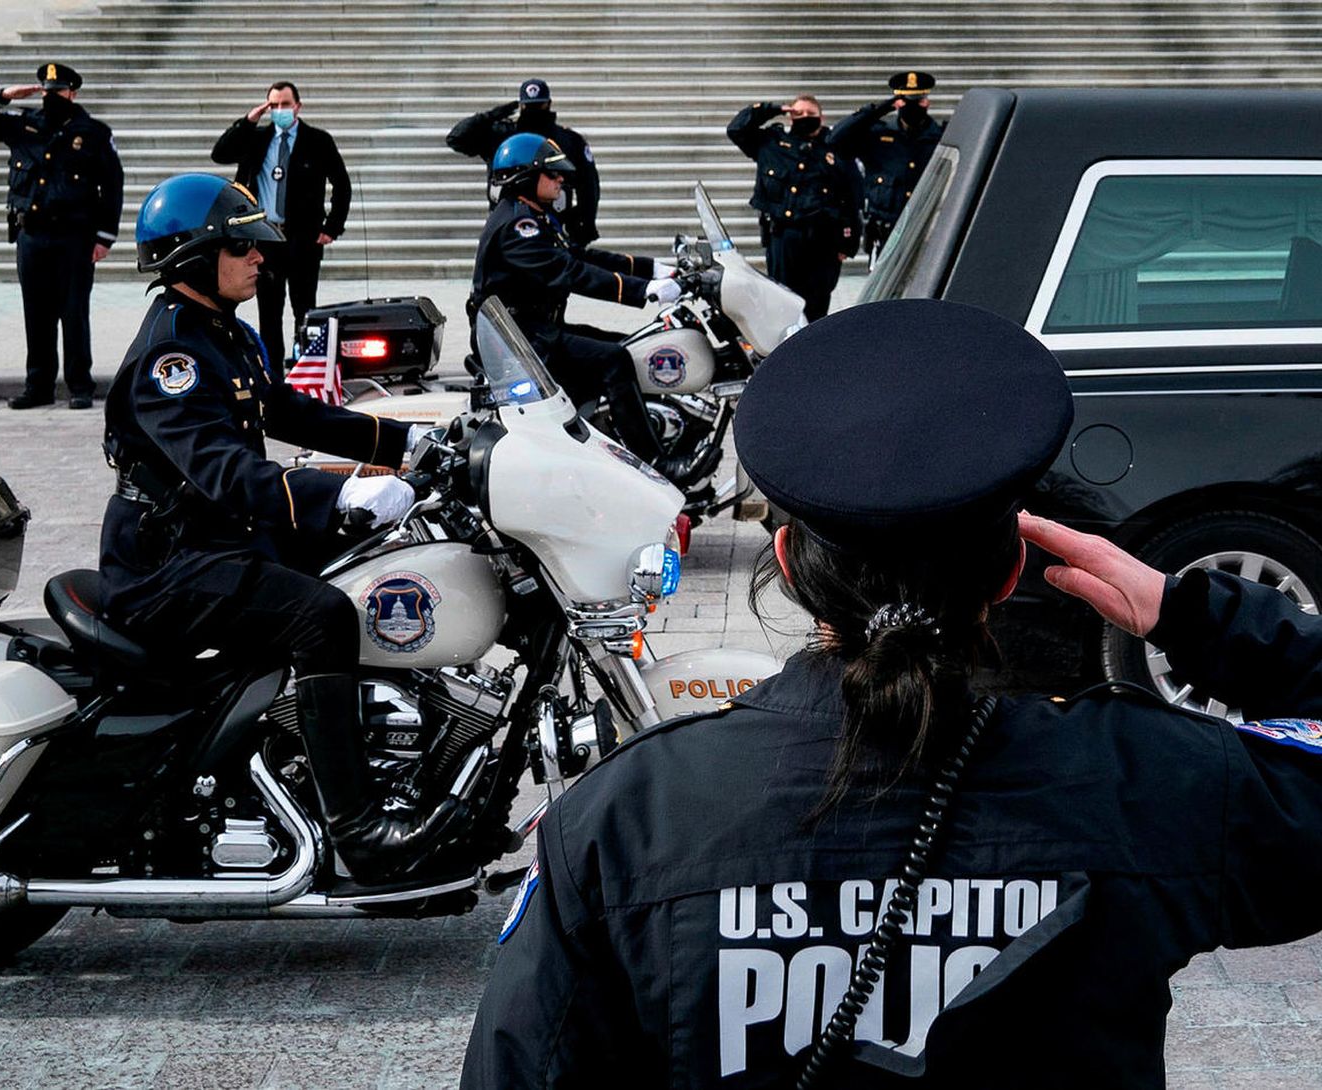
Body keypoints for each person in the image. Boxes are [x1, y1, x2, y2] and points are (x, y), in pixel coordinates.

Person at [463, 297, 1322, 1087]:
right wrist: (1189, 610)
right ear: (1012, 569)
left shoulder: (626, 818)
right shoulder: (1152, 782)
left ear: (792, 568)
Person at [99, 173, 455, 882]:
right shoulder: (170, 357)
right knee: (321, 616)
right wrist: (344, 494)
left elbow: (293, 414)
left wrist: (413, 443)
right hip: (166, 566)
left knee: (376, 561)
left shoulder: (223, 333)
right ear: (194, 257)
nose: (260, 258)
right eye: (242, 247)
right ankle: (360, 830)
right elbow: (226, 473)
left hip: (217, 540)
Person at [470, 132, 694, 484]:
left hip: (534, 330)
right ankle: (655, 464)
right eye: (552, 174)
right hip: (520, 341)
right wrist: (645, 292)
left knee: (630, 344)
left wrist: (650, 268)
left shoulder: (535, 216)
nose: (561, 180)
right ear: (525, 176)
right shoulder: (518, 227)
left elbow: (580, 255)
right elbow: (569, 273)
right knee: (613, 359)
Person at [0, 62, 124, 410]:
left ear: (72, 92)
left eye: (59, 91)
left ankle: (80, 385)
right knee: (36, 313)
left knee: (74, 312)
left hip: (75, 237)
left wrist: (105, 237)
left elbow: (112, 186)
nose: (53, 96)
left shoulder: (93, 132)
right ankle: (38, 386)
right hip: (31, 234)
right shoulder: (24, 124)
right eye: (47, 91)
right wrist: (2, 96)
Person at [210, 81, 351, 364]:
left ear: (298, 106)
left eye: (285, 104)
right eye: (273, 105)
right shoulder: (256, 139)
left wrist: (331, 227)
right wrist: (249, 121)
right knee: (269, 310)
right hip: (265, 238)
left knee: (304, 307)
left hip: (303, 237)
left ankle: (306, 366)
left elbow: (342, 184)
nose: (280, 110)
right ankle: (272, 371)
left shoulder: (317, 140)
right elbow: (221, 154)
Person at [727, 94, 861, 321]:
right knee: (782, 304)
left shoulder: (836, 148)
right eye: (798, 113)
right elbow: (737, 129)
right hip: (783, 238)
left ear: (822, 117)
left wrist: (848, 243)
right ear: (790, 117)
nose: (805, 118)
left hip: (823, 242)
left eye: (811, 114)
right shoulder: (771, 143)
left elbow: (853, 197)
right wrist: (774, 108)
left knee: (816, 309)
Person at [448, 78, 601, 248]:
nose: (535, 112)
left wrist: (583, 224)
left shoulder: (568, 140)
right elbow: (456, 139)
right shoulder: (502, 134)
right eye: (530, 106)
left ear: (548, 104)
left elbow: (588, 185)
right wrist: (490, 117)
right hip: (507, 222)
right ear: (522, 106)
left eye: (538, 105)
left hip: (552, 225)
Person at [829, 71, 946, 263]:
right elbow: (835, 139)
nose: (912, 106)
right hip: (885, 232)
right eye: (906, 100)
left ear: (926, 102)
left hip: (926, 230)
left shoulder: (942, 137)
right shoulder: (877, 135)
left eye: (918, 100)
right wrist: (879, 109)